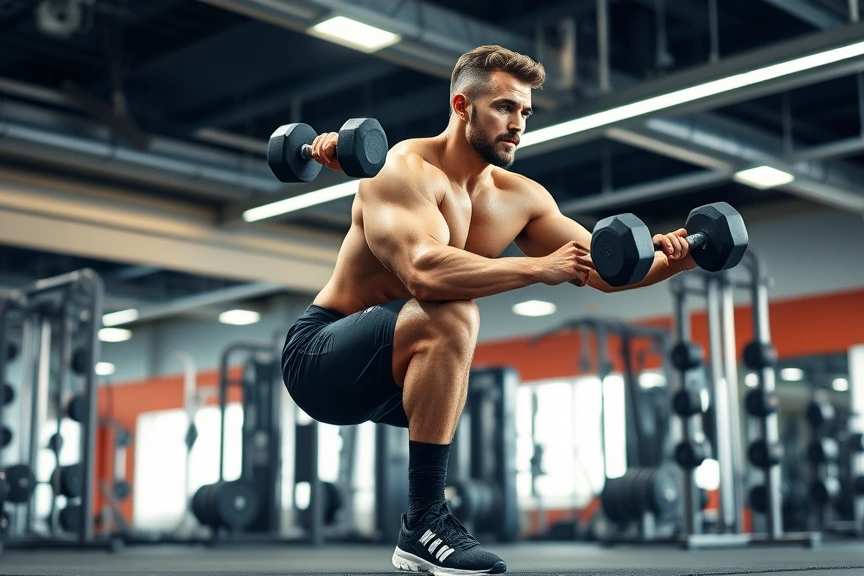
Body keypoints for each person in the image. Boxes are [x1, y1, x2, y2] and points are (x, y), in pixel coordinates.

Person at [281, 45, 697, 575]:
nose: (517, 124)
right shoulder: (400, 171)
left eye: (525, 111)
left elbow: (602, 269)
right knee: (452, 314)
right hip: (319, 357)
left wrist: (680, 259)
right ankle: (424, 522)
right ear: (462, 106)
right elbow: (424, 273)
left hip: (389, 376)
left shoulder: (520, 197)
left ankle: (428, 520)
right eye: (503, 107)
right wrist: (537, 268)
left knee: (459, 366)